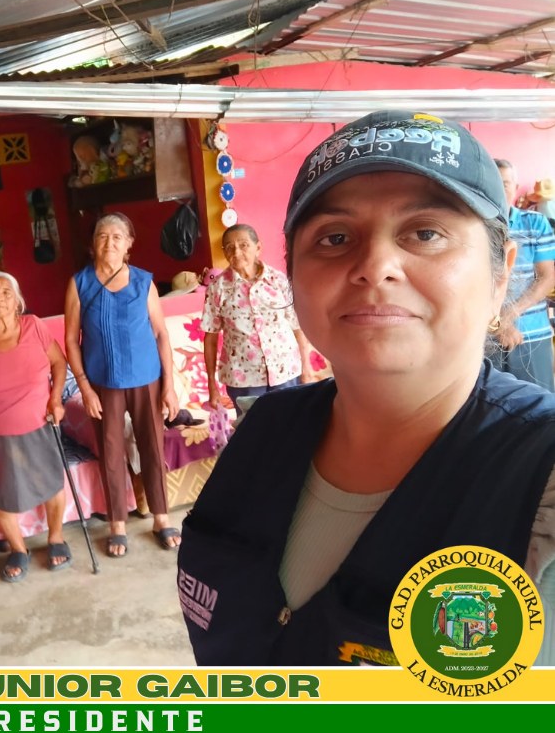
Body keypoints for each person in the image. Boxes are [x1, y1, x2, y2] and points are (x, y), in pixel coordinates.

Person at [178, 110, 555, 666]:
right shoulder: (263, 430)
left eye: (426, 233)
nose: (375, 266)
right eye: (335, 238)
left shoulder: (542, 476)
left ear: (501, 275)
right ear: (294, 277)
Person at [64, 212, 181, 557]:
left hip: (147, 379)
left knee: (152, 448)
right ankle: (117, 522)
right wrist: (85, 387)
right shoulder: (80, 284)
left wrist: (169, 386)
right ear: (92, 244)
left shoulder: (144, 282)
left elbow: (161, 334)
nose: (110, 242)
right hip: (103, 384)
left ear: (129, 244)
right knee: (111, 453)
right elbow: (71, 340)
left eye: (117, 237)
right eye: (102, 236)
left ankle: (161, 517)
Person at [0, 272, 71, 582]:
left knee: (52, 483)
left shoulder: (34, 326)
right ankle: (18, 548)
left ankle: (56, 537)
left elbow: (59, 363)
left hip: (39, 423)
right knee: (0, 493)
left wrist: (56, 399)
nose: (0, 298)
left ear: (17, 301)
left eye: (6, 292)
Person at [202, 223, 316, 411]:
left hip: (285, 370)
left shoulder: (279, 281)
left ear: (258, 247)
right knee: (253, 427)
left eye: (243, 245)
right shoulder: (218, 288)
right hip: (243, 378)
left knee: (290, 424)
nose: (236, 252)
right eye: (229, 247)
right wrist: (211, 386)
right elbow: (210, 339)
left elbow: (297, 326)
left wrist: (307, 368)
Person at [488, 159, 555, 392]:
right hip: (485, 338)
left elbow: (547, 277)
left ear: (515, 188)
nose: (500, 189)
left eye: (506, 183)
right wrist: (496, 325)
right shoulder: (473, 226)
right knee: (487, 404)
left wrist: (508, 316)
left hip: (531, 335)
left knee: (539, 403)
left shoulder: (536, 223)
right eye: (495, 182)